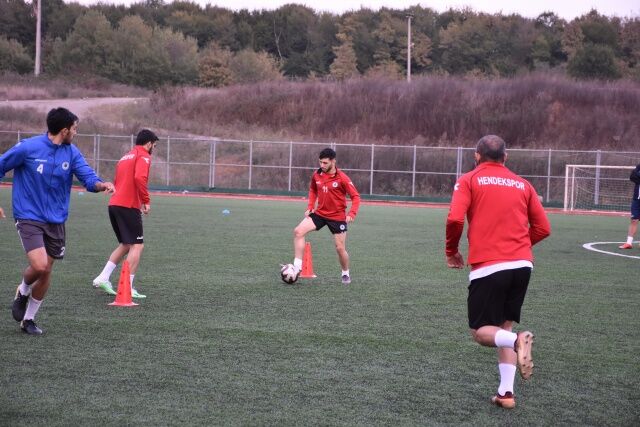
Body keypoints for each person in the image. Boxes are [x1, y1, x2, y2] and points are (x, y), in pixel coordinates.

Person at [445, 135, 551, 409]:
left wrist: (451, 251)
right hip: (522, 265)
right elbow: (543, 228)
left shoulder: (469, 179)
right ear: (506, 157)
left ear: (476, 155)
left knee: (481, 332)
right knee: (503, 327)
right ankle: (506, 393)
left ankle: (518, 341)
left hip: (490, 265)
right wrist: (518, 247)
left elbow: (455, 218)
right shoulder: (523, 184)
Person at [0, 107, 115, 335]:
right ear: (64, 130)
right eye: (75, 129)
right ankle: (23, 290)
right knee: (40, 265)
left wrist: (101, 184)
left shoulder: (71, 153)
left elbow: (87, 177)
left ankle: (29, 319)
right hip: (28, 216)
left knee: (46, 271)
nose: (76, 133)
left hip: (56, 220)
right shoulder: (28, 147)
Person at [92, 129, 158, 298]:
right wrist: (146, 200)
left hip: (114, 204)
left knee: (126, 244)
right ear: (149, 143)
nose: (154, 148)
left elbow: (119, 181)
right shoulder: (144, 155)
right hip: (128, 205)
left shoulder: (125, 157)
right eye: (154, 145)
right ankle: (127, 286)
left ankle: (103, 277)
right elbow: (139, 178)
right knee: (137, 245)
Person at [288, 147, 360, 284]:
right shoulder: (317, 174)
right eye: (320, 162)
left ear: (333, 161)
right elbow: (313, 190)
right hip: (320, 214)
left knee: (340, 248)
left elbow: (356, 197)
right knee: (298, 231)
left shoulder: (342, 178)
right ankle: (297, 268)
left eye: (325, 163)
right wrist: (310, 206)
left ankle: (345, 273)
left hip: (337, 217)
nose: (322, 165)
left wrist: (352, 213)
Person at [618, 163, 640, 249]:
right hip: (637, 199)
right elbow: (632, 177)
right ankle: (628, 243)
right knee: (634, 220)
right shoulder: (639, 166)